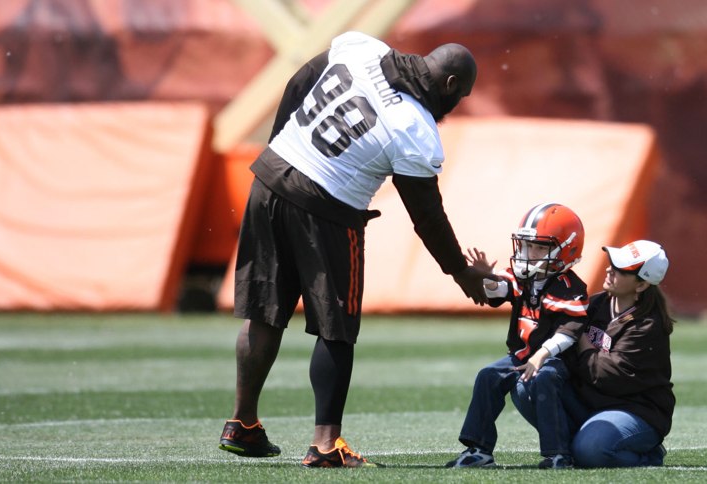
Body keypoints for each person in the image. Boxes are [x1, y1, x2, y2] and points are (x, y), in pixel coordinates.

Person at [217, 31, 496, 468]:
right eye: (460, 97)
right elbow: (426, 215)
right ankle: (326, 444)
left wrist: (281, 143)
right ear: (450, 86)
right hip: (325, 206)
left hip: (270, 178)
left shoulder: (362, 48)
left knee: (264, 312)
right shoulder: (414, 129)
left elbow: (301, 78)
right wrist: (461, 272)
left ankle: (242, 422)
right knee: (336, 326)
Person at [447, 202, 588, 470]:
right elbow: (499, 292)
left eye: (539, 247)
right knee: (488, 376)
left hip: (556, 361)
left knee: (546, 378)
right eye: (527, 245)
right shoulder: (523, 276)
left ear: (565, 250)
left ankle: (558, 454)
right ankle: (480, 449)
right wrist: (486, 278)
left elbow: (570, 330)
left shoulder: (569, 286)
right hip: (522, 355)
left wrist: (542, 355)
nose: (529, 253)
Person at [513, 240, 675, 467]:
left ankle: (649, 454)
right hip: (590, 400)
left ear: (641, 285)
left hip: (633, 409)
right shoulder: (596, 303)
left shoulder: (647, 325)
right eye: (611, 263)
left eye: (620, 269)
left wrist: (580, 338)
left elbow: (607, 375)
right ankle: (566, 451)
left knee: (591, 451)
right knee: (525, 385)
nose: (609, 269)